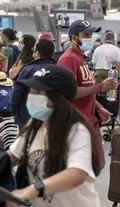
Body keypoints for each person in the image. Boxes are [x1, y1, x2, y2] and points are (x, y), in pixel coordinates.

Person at [8, 65, 101, 207]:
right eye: (32, 90)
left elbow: (77, 173)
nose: (31, 96)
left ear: (57, 99)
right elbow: (12, 156)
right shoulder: (34, 125)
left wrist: (32, 190)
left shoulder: (77, 130)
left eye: (38, 92)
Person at [58, 20, 117, 170]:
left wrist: (97, 106)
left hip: (89, 121)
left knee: (95, 165)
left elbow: (85, 87)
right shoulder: (68, 59)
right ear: (73, 37)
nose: (89, 38)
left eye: (91, 34)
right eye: (86, 35)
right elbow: (69, 92)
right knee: (82, 169)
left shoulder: (81, 59)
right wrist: (100, 87)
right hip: (76, 125)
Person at [12, 39, 55, 128]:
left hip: (27, 116)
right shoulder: (58, 69)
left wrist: (14, 111)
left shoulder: (27, 69)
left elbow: (17, 92)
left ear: (37, 53)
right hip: (51, 118)